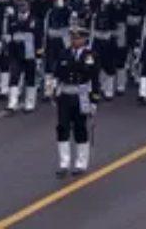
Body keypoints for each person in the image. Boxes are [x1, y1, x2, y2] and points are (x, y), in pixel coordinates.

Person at [54, 23, 98, 177]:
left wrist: (94, 101)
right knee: (62, 128)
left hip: (82, 95)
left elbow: (94, 79)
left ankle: (81, 163)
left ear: (84, 39)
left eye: (77, 38)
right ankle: (64, 163)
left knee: (80, 128)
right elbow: (57, 74)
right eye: (73, 37)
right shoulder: (64, 53)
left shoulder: (89, 55)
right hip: (65, 95)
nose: (74, 40)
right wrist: (53, 91)